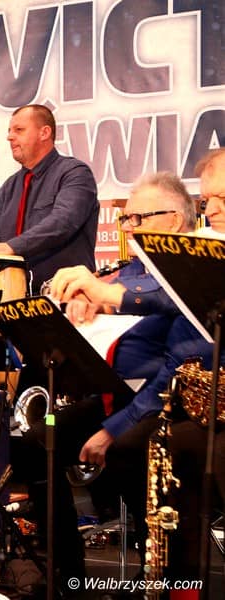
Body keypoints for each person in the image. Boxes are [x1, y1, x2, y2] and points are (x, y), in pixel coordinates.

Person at [18, 172, 199, 591]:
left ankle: (162, 576)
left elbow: (156, 303)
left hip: (162, 402)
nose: (129, 228)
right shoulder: (133, 268)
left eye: (139, 218)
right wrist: (86, 295)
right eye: (126, 219)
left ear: (173, 220)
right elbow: (127, 284)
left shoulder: (188, 269)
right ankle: (65, 572)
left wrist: (102, 293)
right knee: (36, 444)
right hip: (114, 395)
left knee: (126, 450)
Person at [163, 148, 225, 583]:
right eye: (206, 201)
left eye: (223, 198)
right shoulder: (203, 249)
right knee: (165, 442)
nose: (212, 210)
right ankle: (181, 586)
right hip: (214, 403)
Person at [0, 104, 99, 294]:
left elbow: (63, 222)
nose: (9, 137)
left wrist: (13, 247)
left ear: (44, 133)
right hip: (13, 297)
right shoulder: (8, 188)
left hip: (65, 296)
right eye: (9, 131)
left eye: (19, 130)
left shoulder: (74, 173)